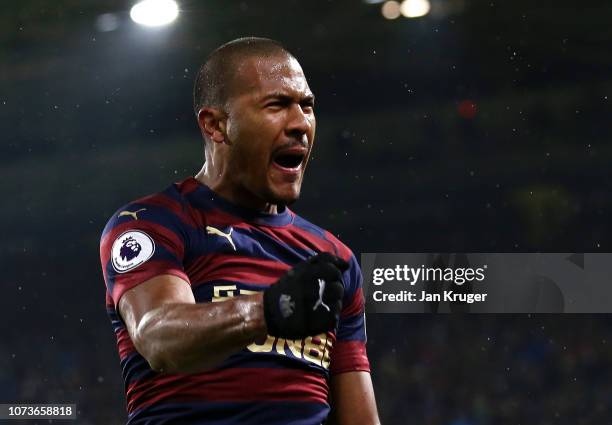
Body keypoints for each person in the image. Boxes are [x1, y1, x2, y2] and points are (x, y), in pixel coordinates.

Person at [100, 37, 380, 425]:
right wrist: (269, 310)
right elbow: (159, 337)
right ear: (215, 125)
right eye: (277, 105)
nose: (300, 123)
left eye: (307, 106)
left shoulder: (334, 259)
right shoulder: (153, 223)